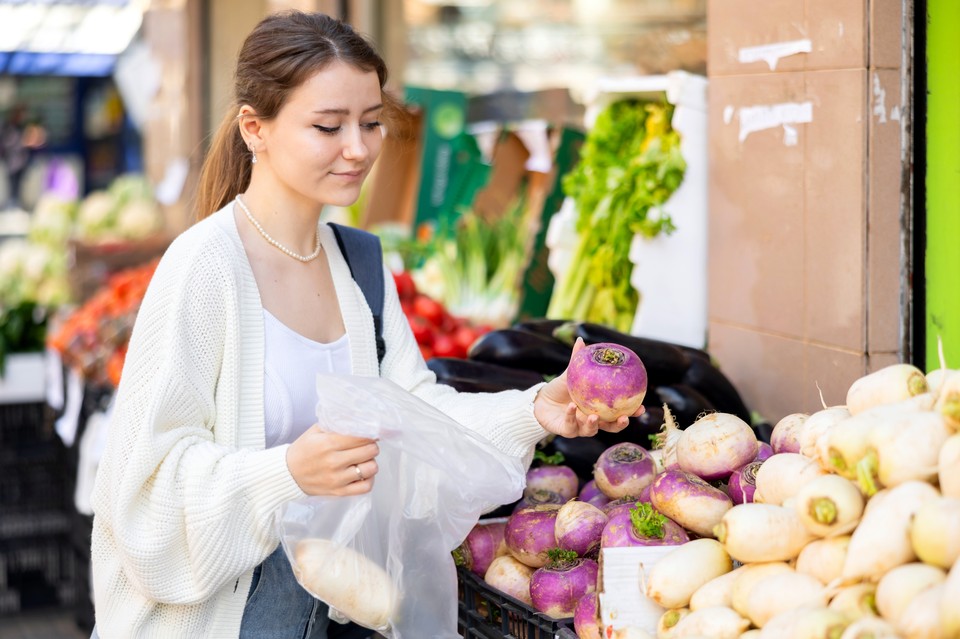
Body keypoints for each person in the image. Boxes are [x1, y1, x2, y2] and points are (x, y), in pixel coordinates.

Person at [89, 10, 641, 639]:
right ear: (255, 129)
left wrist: (537, 410)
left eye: (372, 123)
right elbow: (143, 491)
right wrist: (288, 473)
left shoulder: (357, 265)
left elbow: (416, 418)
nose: (358, 148)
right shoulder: (204, 268)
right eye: (328, 126)